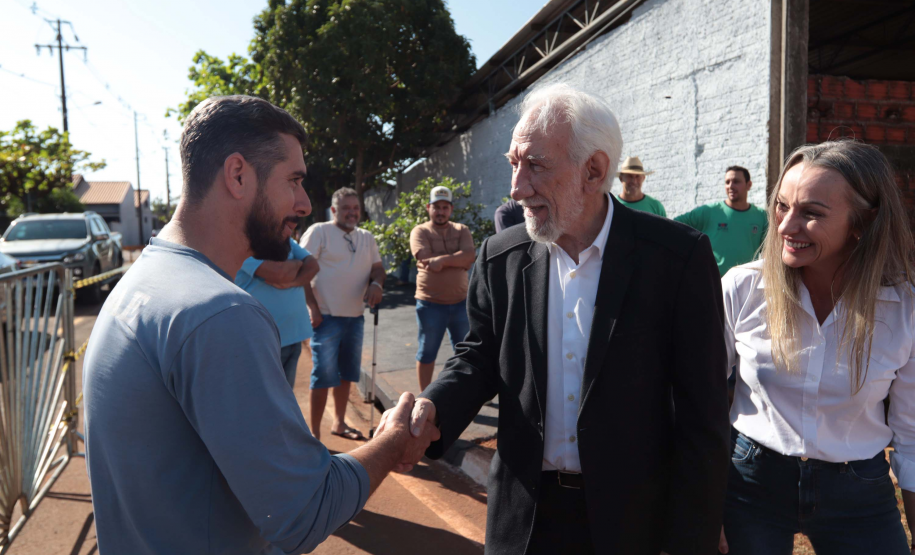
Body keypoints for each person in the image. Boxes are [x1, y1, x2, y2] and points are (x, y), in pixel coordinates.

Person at [379, 83, 730, 554]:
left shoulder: (677, 258)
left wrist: (692, 539)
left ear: (594, 170)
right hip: (524, 518)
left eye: (536, 165)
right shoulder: (498, 256)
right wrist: (433, 408)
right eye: (514, 164)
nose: (516, 188)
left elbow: (701, 412)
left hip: (633, 522)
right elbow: (480, 357)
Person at [81, 95, 438, 554]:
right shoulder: (220, 313)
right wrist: (392, 444)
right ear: (237, 175)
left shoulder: (142, 282)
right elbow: (306, 511)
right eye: (293, 181)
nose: (306, 203)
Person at [718, 140, 915, 555]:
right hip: (750, 482)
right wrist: (700, 508)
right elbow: (699, 400)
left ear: (863, 221)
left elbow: (912, 434)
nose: (786, 227)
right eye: (782, 206)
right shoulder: (743, 287)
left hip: (859, 492)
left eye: (811, 213)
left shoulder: (904, 308)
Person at [300, 187, 385, 441]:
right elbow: (302, 272)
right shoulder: (319, 232)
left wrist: (376, 284)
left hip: (355, 317)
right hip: (325, 317)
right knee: (323, 376)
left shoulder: (367, 237)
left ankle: (339, 423)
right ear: (334, 210)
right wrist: (312, 308)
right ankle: (314, 434)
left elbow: (378, 269)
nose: (352, 212)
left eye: (356, 208)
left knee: (347, 373)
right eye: (346, 208)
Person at [410, 185, 476, 391]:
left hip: (461, 303)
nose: (440, 211)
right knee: (427, 352)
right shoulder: (420, 231)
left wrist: (441, 261)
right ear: (428, 207)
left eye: (445, 207)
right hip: (430, 304)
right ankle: (424, 396)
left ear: (451, 209)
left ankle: (464, 395)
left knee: (465, 353)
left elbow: (470, 256)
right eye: (436, 206)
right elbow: (425, 259)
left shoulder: (461, 230)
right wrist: (457, 260)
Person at [235, 237, 318, 387]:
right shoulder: (242, 240)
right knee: (262, 399)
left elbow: (313, 266)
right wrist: (298, 264)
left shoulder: (286, 239)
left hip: (293, 336)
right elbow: (278, 273)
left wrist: (291, 282)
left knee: (284, 399)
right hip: (262, 341)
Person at [674, 166, 767, 276]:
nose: (731, 186)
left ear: (749, 185)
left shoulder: (761, 216)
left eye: (736, 182)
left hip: (746, 285)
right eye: (727, 182)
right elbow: (675, 226)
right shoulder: (709, 212)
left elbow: (768, 252)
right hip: (714, 285)